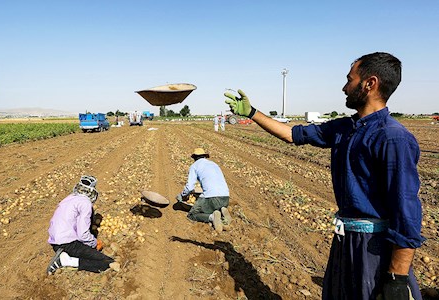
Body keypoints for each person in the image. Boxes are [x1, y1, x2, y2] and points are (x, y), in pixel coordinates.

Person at [224, 52, 424, 300]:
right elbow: (292, 135)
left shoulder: (393, 137)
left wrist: (397, 278)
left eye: (349, 79)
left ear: (370, 84)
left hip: (375, 249)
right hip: (345, 240)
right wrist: (252, 113)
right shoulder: (344, 128)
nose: (344, 88)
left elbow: (406, 212)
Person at [47, 175, 115, 275]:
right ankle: (66, 261)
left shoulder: (70, 197)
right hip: (68, 244)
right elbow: (83, 234)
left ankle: (65, 256)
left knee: (87, 253)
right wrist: (94, 243)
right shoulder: (85, 203)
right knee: (107, 263)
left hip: (56, 243)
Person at [176, 148, 232, 233]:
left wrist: (183, 195)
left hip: (212, 198)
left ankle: (212, 217)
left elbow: (190, 187)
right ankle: (223, 214)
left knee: (192, 215)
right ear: (205, 156)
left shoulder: (194, 166)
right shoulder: (214, 164)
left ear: (194, 158)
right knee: (214, 206)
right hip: (225, 198)